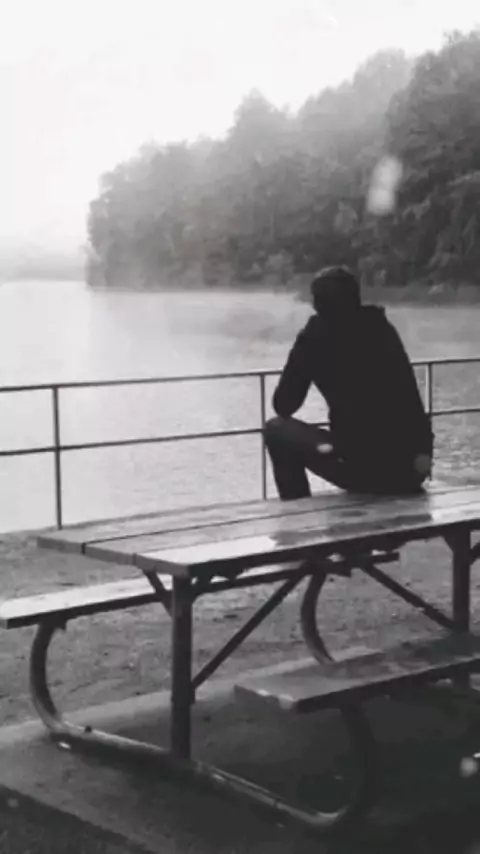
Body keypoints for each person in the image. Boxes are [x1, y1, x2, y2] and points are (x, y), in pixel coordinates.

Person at [263, 266, 433, 500]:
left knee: (276, 430)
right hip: (409, 470)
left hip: (363, 469)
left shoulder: (315, 338)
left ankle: (297, 510)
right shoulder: (381, 328)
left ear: (318, 305)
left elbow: (284, 406)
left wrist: (302, 348)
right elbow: (411, 397)